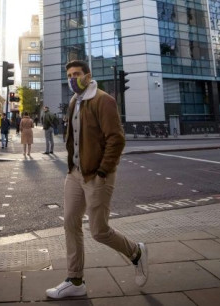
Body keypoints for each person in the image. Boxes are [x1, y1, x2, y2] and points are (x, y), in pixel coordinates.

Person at [46, 60, 148, 299]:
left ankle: (136, 253)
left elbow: (116, 139)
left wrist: (103, 172)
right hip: (75, 174)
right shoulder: (74, 101)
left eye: (77, 74)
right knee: (70, 222)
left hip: (97, 175)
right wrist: (72, 166)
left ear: (87, 75)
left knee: (99, 231)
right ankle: (75, 280)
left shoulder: (104, 100)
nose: (73, 79)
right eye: (69, 75)